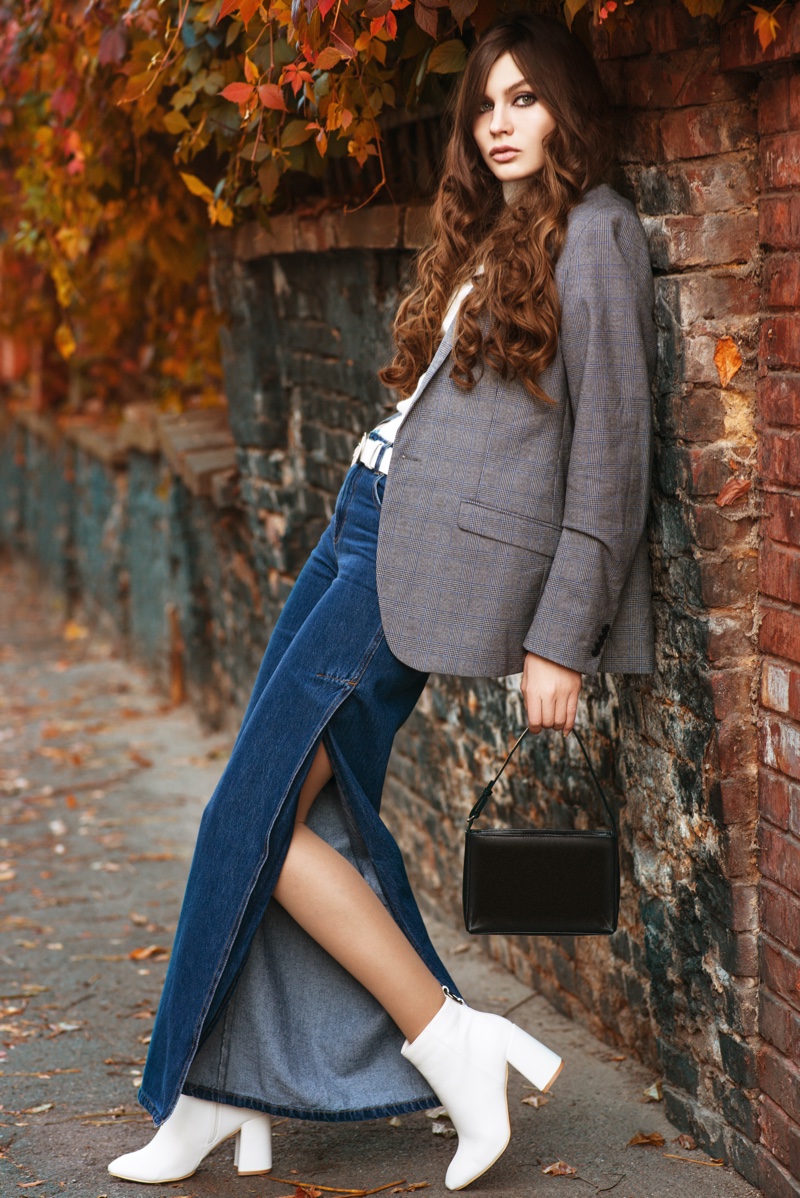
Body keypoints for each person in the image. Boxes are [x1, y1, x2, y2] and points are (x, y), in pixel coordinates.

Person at [108, 9, 657, 1193]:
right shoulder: (506, 228)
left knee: (247, 815)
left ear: (567, 108)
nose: (500, 122)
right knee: (281, 819)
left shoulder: (599, 234)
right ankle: (228, 1095)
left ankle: (443, 1046)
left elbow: (612, 457)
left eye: (525, 99)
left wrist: (560, 636)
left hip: (415, 570)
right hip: (361, 521)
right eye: (486, 104)